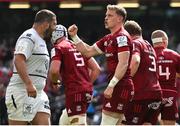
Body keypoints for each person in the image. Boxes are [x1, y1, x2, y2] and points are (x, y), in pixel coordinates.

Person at [68, 4, 134, 125]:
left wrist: (111, 85)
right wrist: (74, 37)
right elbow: (88, 52)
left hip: (120, 86)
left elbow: (123, 64)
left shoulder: (122, 37)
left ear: (119, 18)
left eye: (109, 15)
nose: (106, 18)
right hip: (120, 86)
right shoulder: (109, 38)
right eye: (106, 15)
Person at [5, 9, 57, 125]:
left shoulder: (42, 41)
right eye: (54, 24)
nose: (55, 28)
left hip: (39, 93)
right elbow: (18, 60)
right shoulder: (28, 36)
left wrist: (53, 81)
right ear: (46, 24)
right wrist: (28, 84)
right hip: (22, 92)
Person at [48, 24, 101, 125]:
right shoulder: (79, 46)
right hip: (86, 90)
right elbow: (96, 69)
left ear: (55, 35)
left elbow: (54, 71)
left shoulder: (58, 47)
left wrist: (55, 82)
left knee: (78, 122)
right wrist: (85, 85)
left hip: (75, 92)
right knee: (64, 121)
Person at [121, 20, 162, 125]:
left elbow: (135, 61)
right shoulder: (149, 46)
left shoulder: (135, 43)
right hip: (156, 95)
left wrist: (125, 80)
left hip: (140, 95)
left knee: (124, 123)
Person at [151, 30, 180, 125]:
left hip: (151, 94)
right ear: (164, 41)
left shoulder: (147, 55)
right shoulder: (174, 55)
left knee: (147, 123)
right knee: (169, 124)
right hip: (169, 94)